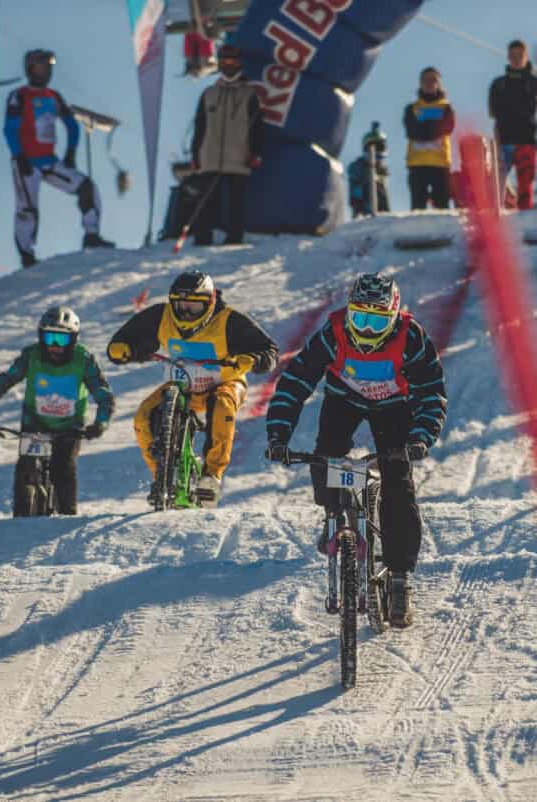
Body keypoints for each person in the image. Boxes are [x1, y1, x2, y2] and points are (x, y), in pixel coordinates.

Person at [265, 274, 447, 628]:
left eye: (375, 321)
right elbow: (296, 382)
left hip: (395, 407)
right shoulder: (332, 334)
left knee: (397, 480)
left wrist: (421, 437)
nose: (364, 330)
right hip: (343, 402)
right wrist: (278, 436)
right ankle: (333, 513)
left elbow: (430, 392)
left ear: (393, 317)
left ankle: (399, 577)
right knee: (324, 457)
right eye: (358, 318)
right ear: (347, 313)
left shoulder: (412, 338)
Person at [107, 271, 278, 507]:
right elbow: (129, 337)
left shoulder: (229, 319)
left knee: (222, 405)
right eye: (181, 306)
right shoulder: (161, 315)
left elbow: (269, 350)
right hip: (182, 383)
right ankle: (162, 475)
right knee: (144, 415)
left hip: (224, 382)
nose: (186, 313)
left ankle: (211, 476)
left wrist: (251, 360)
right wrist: (124, 348)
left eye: (194, 308)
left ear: (209, 303)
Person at [0, 306, 115, 516]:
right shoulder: (32, 356)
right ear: (40, 337)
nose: (55, 346)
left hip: (70, 426)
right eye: (49, 338)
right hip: (35, 422)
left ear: (73, 340)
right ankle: (20, 519)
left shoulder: (83, 359)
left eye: (62, 340)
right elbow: (3, 382)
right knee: (25, 470)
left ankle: (67, 517)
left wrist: (101, 422)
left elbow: (103, 394)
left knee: (63, 470)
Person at [6, 49, 113, 267]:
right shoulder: (20, 96)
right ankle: (27, 254)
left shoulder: (53, 97)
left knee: (87, 187)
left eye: (49, 67)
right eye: (42, 67)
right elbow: (10, 128)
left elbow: (71, 125)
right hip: (26, 161)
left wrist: (71, 152)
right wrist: (18, 154)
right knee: (27, 207)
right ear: (30, 69)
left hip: (49, 160)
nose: (46, 71)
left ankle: (91, 235)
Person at [190, 43, 264, 246]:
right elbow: (199, 126)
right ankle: (202, 237)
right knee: (205, 200)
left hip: (239, 155)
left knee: (236, 201)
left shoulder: (249, 94)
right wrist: (195, 155)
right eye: (224, 60)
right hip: (209, 155)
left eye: (233, 60)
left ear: (239, 63)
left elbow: (257, 127)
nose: (228, 64)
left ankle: (234, 237)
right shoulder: (209, 93)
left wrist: (256, 152)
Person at [488, 40, 537, 210]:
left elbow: (531, 108)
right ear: (508, 57)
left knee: (525, 185)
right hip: (504, 140)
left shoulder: (533, 82)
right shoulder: (498, 84)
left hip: (526, 140)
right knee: (497, 185)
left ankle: (525, 217)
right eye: (513, 55)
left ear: (526, 57)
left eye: (520, 55)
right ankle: (498, 221)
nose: (516, 59)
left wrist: (510, 107)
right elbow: (493, 111)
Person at [404, 67, 456, 210]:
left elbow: (447, 127)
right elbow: (411, 130)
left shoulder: (446, 107)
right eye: (426, 80)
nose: (429, 83)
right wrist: (433, 127)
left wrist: (423, 125)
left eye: (433, 80)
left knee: (442, 206)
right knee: (417, 206)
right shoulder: (411, 108)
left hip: (440, 164)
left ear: (439, 83)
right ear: (420, 83)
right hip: (417, 164)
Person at [348, 122, 390, 218]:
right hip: (363, 210)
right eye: (374, 147)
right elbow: (356, 185)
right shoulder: (357, 166)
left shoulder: (382, 168)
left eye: (380, 147)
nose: (377, 151)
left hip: (381, 212)